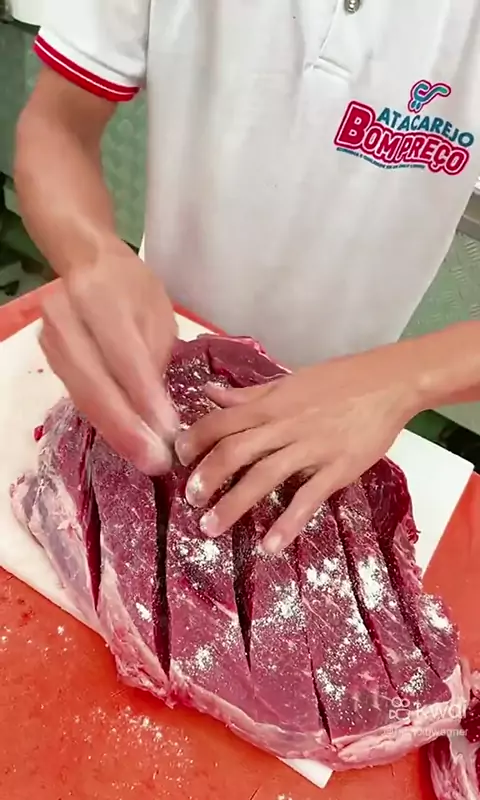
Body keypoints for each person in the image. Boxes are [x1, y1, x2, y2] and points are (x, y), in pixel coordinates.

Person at [15, 1, 480, 555]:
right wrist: (90, 254)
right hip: (153, 360)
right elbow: (58, 122)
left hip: (348, 413)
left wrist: (405, 380)